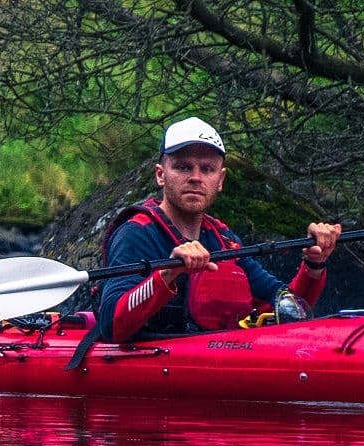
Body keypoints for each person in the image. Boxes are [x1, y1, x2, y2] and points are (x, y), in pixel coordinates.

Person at [93, 117, 342, 343]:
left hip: (207, 362)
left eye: (207, 169)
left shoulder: (222, 239)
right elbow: (112, 325)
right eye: (183, 167)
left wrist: (314, 265)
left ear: (220, 180)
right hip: (150, 368)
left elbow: (287, 307)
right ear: (161, 175)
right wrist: (167, 274)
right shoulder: (135, 233)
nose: (196, 177)